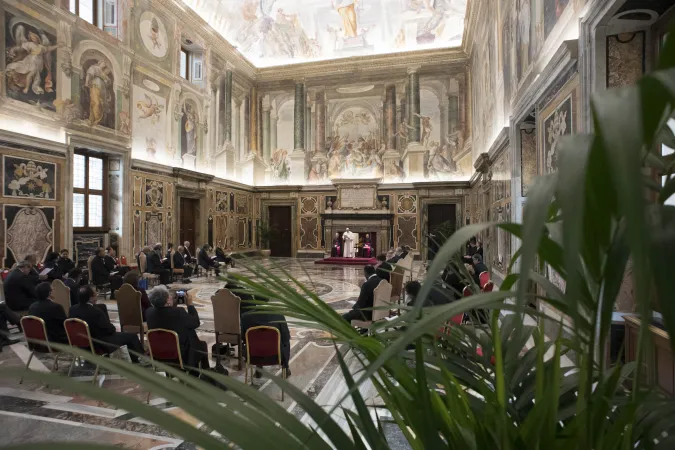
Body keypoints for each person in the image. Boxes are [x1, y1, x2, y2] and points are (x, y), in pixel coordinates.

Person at [69, 286, 143, 362]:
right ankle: (141, 360)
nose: (97, 296)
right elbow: (110, 329)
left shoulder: (72, 309)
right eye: (95, 294)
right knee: (132, 337)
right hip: (98, 342)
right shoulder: (96, 312)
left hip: (80, 343)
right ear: (91, 298)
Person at [145, 286, 210, 373]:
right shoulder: (179, 312)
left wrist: (172, 305)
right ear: (167, 300)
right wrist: (190, 305)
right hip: (179, 356)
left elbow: (166, 315)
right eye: (169, 296)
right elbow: (195, 323)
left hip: (158, 354)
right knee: (200, 343)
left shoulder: (149, 312)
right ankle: (203, 375)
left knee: (187, 332)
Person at [241, 303, 292, 378]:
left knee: (252, 343)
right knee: (286, 341)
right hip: (276, 356)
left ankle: (258, 368)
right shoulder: (278, 316)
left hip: (252, 356)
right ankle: (285, 368)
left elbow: (244, 338)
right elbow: (285, 338)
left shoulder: (245, 317)